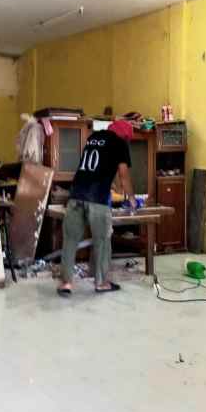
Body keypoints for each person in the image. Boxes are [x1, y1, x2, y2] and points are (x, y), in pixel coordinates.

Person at [57, 119, 136, 296]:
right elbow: (123, 175)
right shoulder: (120, 142)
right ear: (124, 136)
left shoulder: (93, 138)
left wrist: (111, 183)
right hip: (97, 198)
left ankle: (66, 283)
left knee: (70, 240)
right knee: (102, 241)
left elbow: (97, 167)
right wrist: (131, 198)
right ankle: (101, 283)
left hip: (76, 195)